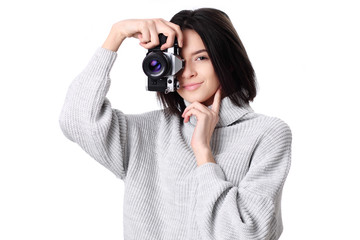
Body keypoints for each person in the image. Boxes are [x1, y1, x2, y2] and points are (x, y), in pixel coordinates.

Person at [59, 8, 292, 240]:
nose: (187, 72)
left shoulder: (266, 134)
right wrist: (116, 34)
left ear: (227, 62)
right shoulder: (150, 131)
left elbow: (247, 234)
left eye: (201, 58)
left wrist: (203, 153)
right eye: (178, 61)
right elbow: (75, 119)